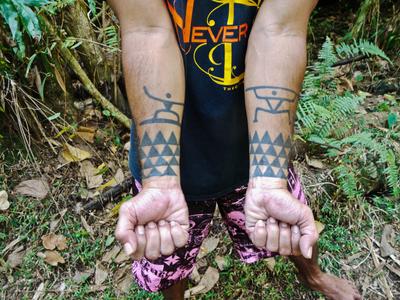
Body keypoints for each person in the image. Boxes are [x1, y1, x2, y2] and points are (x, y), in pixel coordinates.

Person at [108, 0, 361, 299]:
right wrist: (160, 179)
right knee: (167, 251)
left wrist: (269, 176)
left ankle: (314, 276)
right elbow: (147, 29)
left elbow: (280, 29)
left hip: (257, 140)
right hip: (165, 150)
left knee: (288, 221)